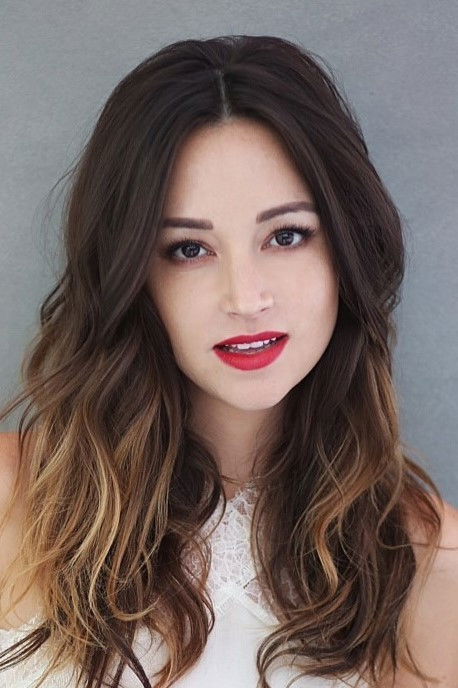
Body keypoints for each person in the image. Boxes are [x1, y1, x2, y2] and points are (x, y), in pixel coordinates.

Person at [0, 34, 457, 688]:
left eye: (287, 235)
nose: (245, 298)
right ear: (132, 275)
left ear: (346, 252)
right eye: (190, 249)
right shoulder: (14, 497)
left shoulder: (426, 562)